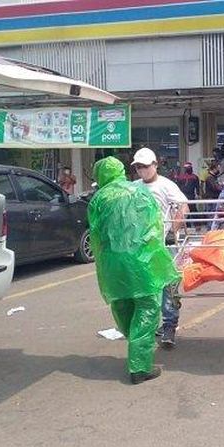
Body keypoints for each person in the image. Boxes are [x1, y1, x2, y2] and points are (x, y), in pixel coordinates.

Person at [88, 156, 179, 384]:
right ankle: (139, 367)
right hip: (141, 260)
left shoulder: (98, 199)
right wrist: (159, 261)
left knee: (122, 304)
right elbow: (153, 227)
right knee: (147, 307)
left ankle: (136, 347)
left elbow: (96, 235)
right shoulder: (139, 193)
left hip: (112, 263)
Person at [132, 147, 189, 349]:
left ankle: (169, 326)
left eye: (145, 166)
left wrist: (173, 229)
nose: (142, 170)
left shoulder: (166, 186)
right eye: (138, 167)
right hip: (143, 245)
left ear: (155, 165)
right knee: (147, 287)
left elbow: (183, 206)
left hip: (165, 244)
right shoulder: (134, 187)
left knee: (169, 287)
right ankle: (152, 324)